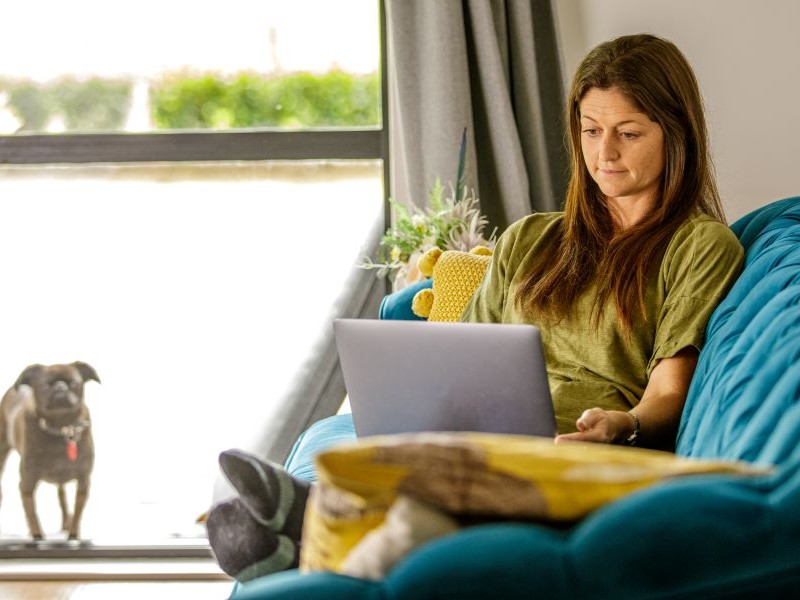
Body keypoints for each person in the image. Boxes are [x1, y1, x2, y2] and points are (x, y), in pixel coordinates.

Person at [207, 33, 744, 579]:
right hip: (484, 443)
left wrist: (622, 424)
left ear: (675, 134)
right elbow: (460, 359)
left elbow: (670, 390)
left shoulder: (698, 246)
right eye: (590, 130)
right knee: (414, 462)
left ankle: (306, 527)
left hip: (576, 454)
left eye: (628, 134)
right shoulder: (531, 239)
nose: (604, 153)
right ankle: (313, 524)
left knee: (432, 499)